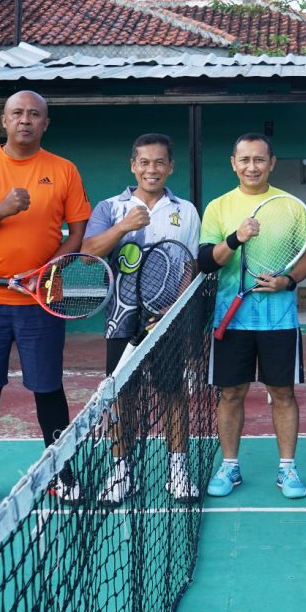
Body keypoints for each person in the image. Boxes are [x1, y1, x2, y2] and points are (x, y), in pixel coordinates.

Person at [0, 90, 92, 515]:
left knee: (48, 388)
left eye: (34, 114)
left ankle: (60, 470)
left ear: (46, 123)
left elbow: (78, 231)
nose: (25, 120)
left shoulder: (63, 170)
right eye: (16, 114)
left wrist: (47, 274)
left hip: (40, 302)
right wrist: (2, 208)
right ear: (3, 121)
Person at [81, 133, 202, 505]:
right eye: (145, 162)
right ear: (133, 165)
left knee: (172, 395)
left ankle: (178, 472)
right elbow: (87, 255)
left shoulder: (187, 210)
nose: (152, 169)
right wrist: (122, 227)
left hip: (167, 323)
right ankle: (123, 474)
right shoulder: (109, 208)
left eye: (159, 162)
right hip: (121, 322)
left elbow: (190, 266)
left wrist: (174, 308)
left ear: (170, 167)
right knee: (121, 398)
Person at [197, 132, 306, 499]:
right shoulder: (218, 207)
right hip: (230, 320)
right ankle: (230, 467)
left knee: (283, 393)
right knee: (231, 393)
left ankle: (287, 470)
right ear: (233, 163)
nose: (252, 166)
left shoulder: (292, 207)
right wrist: (236, 237)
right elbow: (205, 261)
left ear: (272, 163)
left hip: (280, 320)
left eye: (259, 160)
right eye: (245, 160)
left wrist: (288, 281)